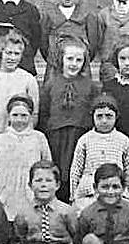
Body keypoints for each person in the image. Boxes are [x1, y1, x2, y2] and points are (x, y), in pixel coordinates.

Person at [38, 38, 99, 202]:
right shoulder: (51, 84)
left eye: (79, 60)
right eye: (70, 59)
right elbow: (44, 111)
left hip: (79, 135)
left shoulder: (91, 86)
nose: (74, 64)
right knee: (57, 170)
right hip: (56, 136)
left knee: (75, 169)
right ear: (61, 59)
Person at [0, 95, 52, 221]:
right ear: (8, 116)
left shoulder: (39, 138)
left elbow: (47, 165)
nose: (19, 120)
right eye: (15, 115)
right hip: (4, 190)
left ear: (30, 117)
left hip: (29, 190)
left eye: (24, 115)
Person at [70, 95, 129, 212]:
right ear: (93, 117)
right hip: (89, 192)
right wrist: (73, 194)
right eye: (99, 116)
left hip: (116, 191)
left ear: (116, 117)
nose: (104, 121)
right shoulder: (85, 140)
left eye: (109, 116)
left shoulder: (124, 140)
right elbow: (76, 170)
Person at [40, 0, 101, 80]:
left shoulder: (88, 14)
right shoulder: (48, 14)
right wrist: (54, 57)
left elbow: (93, 44)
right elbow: (43, 44)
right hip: (55, 67)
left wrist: (82, 59)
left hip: (80, 67)